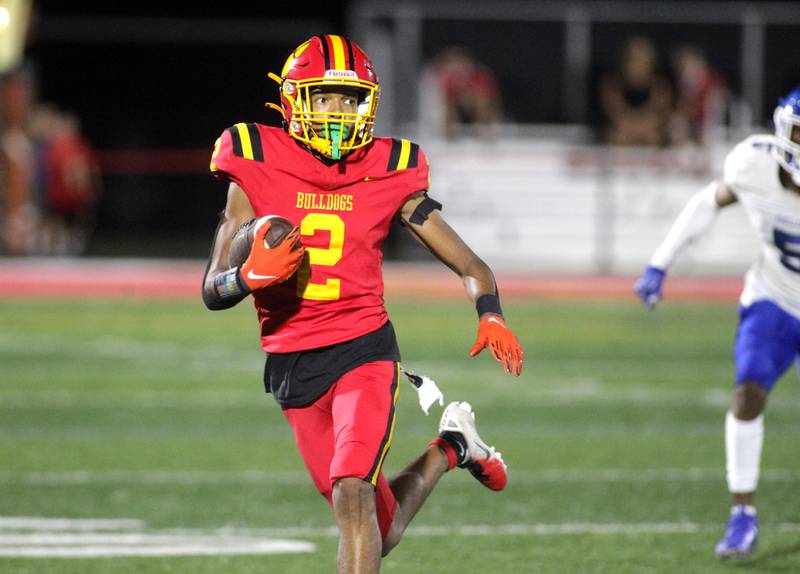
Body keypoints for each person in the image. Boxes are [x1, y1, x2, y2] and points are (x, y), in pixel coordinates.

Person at [201, 35, 523, 573]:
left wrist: (490, 312)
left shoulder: (390, 167)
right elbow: (213, 287)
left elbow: (470, 264)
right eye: (325, 97)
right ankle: (452, 448)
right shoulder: (255, 156)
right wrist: (246, 275)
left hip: (363, 351)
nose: (339, 111)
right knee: (381, 524)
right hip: (291, 361)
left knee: (352, 492)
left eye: (350, 99)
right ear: (294, 99)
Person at [634, 85, 800, 559]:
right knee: (748, 388)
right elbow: (709, 201)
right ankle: (742, 514)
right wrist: (660, 263)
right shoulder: (754, 165)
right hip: (775, 298)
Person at [598, 35, 673, 147]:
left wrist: (644, 127)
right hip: (623, 130)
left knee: (655, 135)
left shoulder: (660, 87)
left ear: (651, 64)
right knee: (618, 135)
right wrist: (632, 127)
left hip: (650, 130)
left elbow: (660, 115)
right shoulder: (612, 85)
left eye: (642, 62)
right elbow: (616, 115)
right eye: (633, 61)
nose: (636, 67)